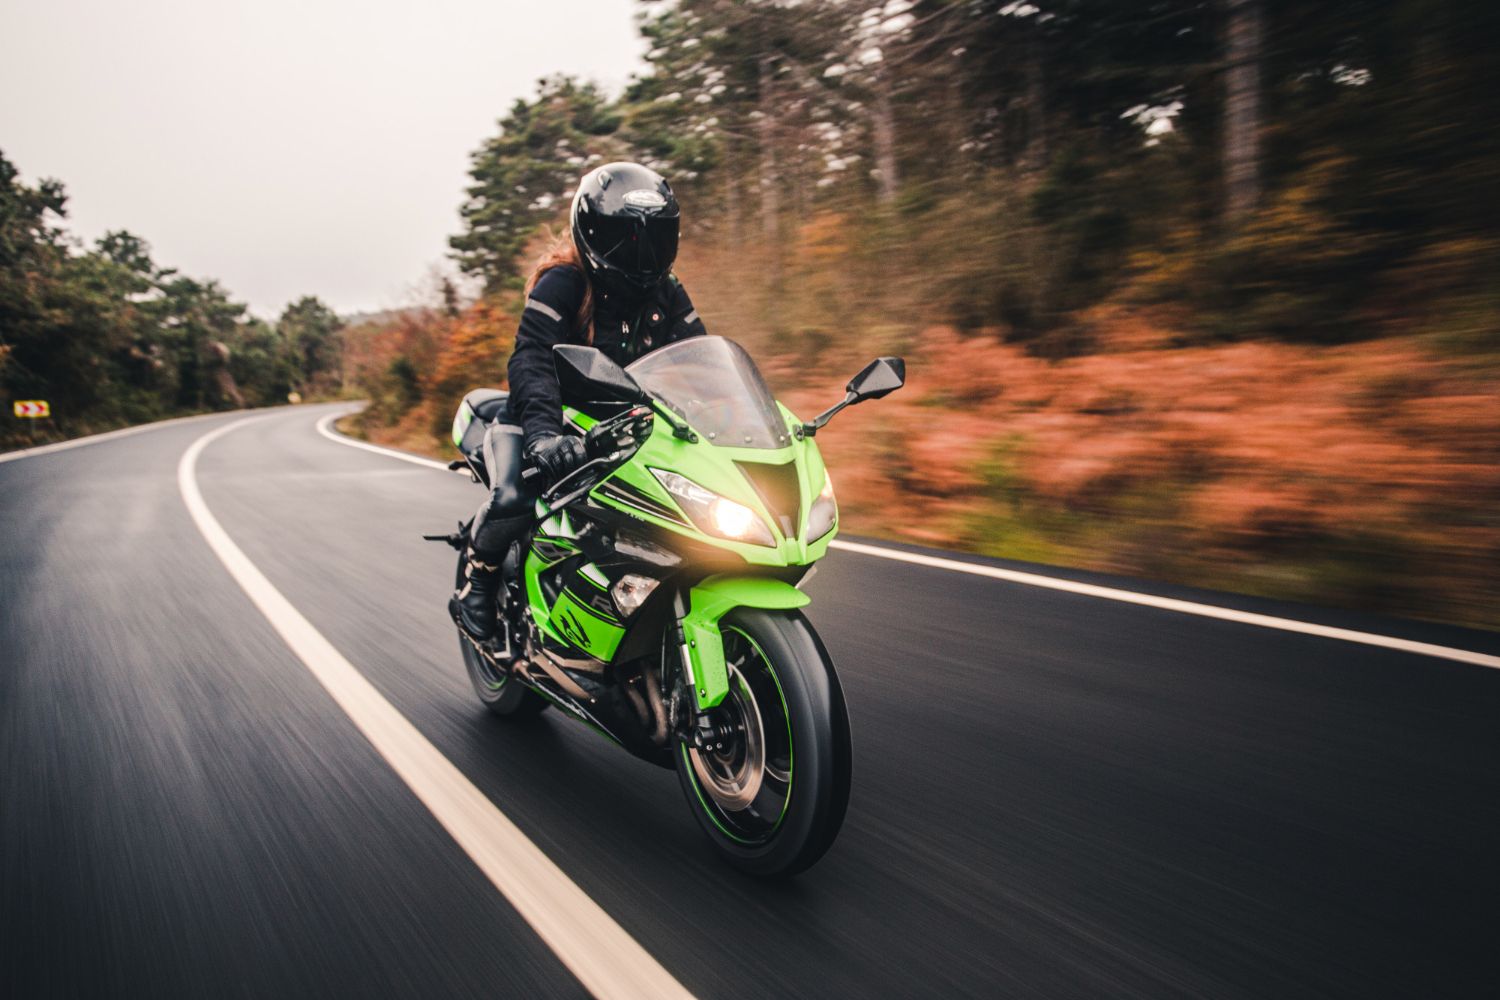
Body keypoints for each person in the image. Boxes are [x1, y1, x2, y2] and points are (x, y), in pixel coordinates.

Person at [450, 161, 708, 641]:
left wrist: (729, 417)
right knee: (513, 497)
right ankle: (475, 582)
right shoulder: (564, 283)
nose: (643, 254)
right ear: (591, 234)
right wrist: (544, 437)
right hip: (542, 418)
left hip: (620, 427)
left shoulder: (667, 291)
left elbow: (701, 361)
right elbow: (531, 360)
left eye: (654, 238)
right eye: (626, 239)